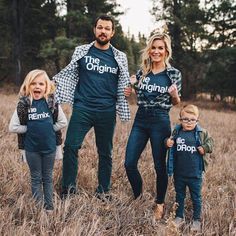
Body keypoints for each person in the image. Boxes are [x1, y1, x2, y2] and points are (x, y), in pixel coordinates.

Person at [53, 15, 130, 199]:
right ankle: (69, 189)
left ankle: (103, 191)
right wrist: (51, 85)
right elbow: (69, 73)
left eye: (107, 28)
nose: (103, 31)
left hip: (107, 110)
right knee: (71, 146)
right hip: (83, 108)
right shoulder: (81, 51)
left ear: (112, 32)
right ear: (94, 29)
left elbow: (124, 82)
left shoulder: (120, 57)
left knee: (106, 152)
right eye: (100, 27)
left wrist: (127, 90)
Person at [124, 32, 181, 220]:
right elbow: (132, 94)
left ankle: (160, 203)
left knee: (159, 165)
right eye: (154, 48)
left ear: (166, 51)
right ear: (149, 50)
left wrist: (174, 95)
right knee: (129, 163)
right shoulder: (142, 72)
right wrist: (129, 89)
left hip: (160, 120)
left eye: (160, 48)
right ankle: (138, 196)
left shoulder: (173, 74)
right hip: (140, 119)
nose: (156, 51)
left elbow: (176, 102)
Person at [9, 69, 67, 211]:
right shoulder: (24, 105)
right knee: (35, 178)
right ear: (28, 86)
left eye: (41, 84)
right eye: (33, 83)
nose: (37, 86)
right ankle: (38, 209)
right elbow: (13, 127)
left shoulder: (52, 103)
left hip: (49, 148)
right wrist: (29, 128)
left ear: (47, 87)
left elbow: (63, 122)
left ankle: (49, 208)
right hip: (31, 149)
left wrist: (49, 128)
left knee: (47, 178)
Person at [166, 104, 213, 232]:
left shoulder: (201, 133)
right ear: (180, 119)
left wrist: (204, 148)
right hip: (179, 173)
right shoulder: (177, 132)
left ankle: (196, 219)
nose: (189, 122)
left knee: (196, 197)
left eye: (192, 119)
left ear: (197, 120)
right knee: (179, 195)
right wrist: (167, 142)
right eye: (185, 119)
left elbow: (211, 143)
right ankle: (179, 217)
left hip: (195, 174)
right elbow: (169, 142)